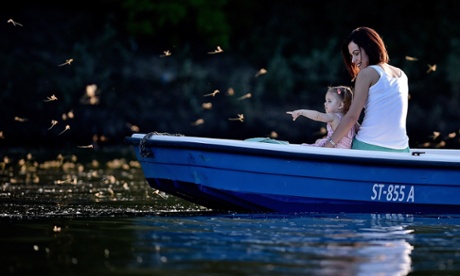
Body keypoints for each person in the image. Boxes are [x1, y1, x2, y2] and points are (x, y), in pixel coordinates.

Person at [323, 27, 410, 152]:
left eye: (356, 53)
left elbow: (352, 117)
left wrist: (329, 144)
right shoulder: (402, 74)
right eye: (352, 56)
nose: (353, 60)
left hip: (368, 147)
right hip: (402, 149)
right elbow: (383, 119)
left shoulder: (367, 73)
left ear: (369, 47)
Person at [287, 86, 356, 149]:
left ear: (340, 105)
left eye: (329, 101)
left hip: (334, 150)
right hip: (346, 150)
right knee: (318, 140)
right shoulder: (349, 119)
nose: (325, 104)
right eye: (326, 101)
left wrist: (301, 112)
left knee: (312, 144)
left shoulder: (334, 116)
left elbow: (318, 116)